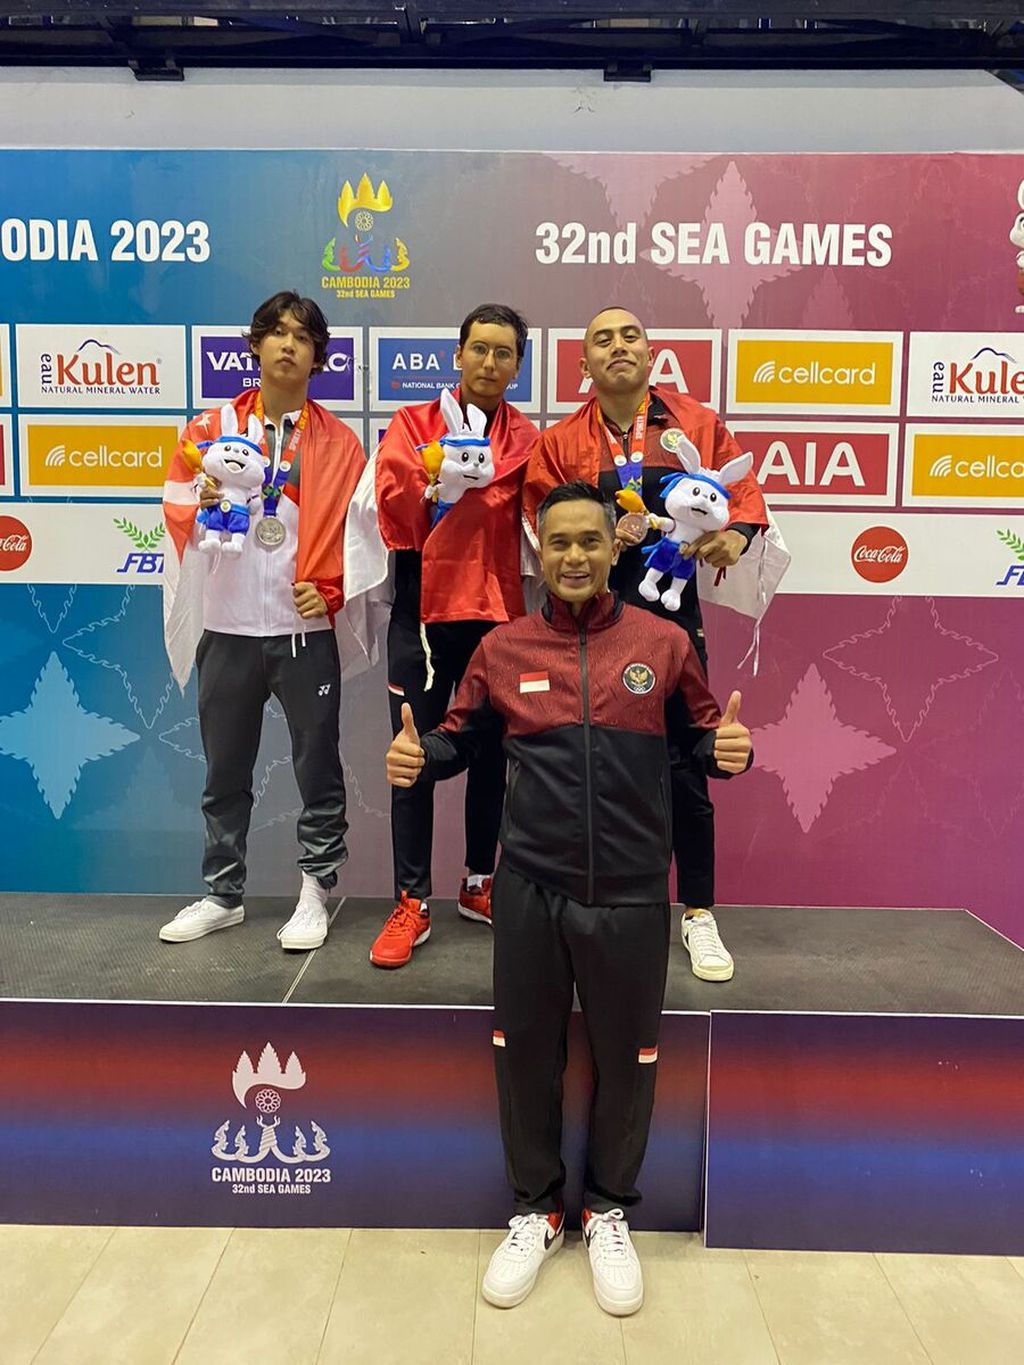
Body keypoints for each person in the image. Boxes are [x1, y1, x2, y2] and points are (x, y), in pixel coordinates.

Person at [385, 480, 753, 1315]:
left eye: (592, 540)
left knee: (629, 1061)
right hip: (531, 892)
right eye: (560, 543)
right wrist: (423, 755)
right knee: (526, 1058)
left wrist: (728, 749)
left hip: (629, 894)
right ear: (539, 553)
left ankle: (610, 1209)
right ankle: (536, 1209)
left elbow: (702, 736)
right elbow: (461, 737)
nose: (577, 556)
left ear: (614, 549)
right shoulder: (504, 648)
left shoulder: (662, 642)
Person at [522, 307, 768, 983]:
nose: (618, 346)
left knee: (686, 765)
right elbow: (538, 524)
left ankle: (698, 913)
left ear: (652, 352)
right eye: (602, 337)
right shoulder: (562, 439)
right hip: (585, 625)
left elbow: (744, 498)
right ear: (584, 363)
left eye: (630, 335)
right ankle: (601, 905)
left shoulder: (695, 422)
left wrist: (733, 537)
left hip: (670, 622)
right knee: (587, 764)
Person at [160, 290, 365, 950]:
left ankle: (315, 889)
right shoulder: (207, 426)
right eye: (274, 333)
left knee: (317, 765)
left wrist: (330, 590)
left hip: (301, 629)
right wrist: (204, 496)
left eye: (300, 336)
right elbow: (174, 503)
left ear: (316, 355)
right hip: (226, 626)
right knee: (224, 769)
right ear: (255, 346)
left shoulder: (338, 440)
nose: (286, 345)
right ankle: (223, 892)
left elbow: (360, 536)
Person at [344, 303, 539, 969]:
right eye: (479, 349)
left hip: (498, 620)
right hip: (422, 622)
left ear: (518, 364)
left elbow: (547, 516)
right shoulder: (412, 424)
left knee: (492, 758)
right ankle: (411, 900)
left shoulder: (528, 439)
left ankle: (478, 883)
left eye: (503, 352)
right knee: (413, 756)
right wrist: (433, 477)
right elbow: (389, 508)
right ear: (457, 355)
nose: (490, 362)